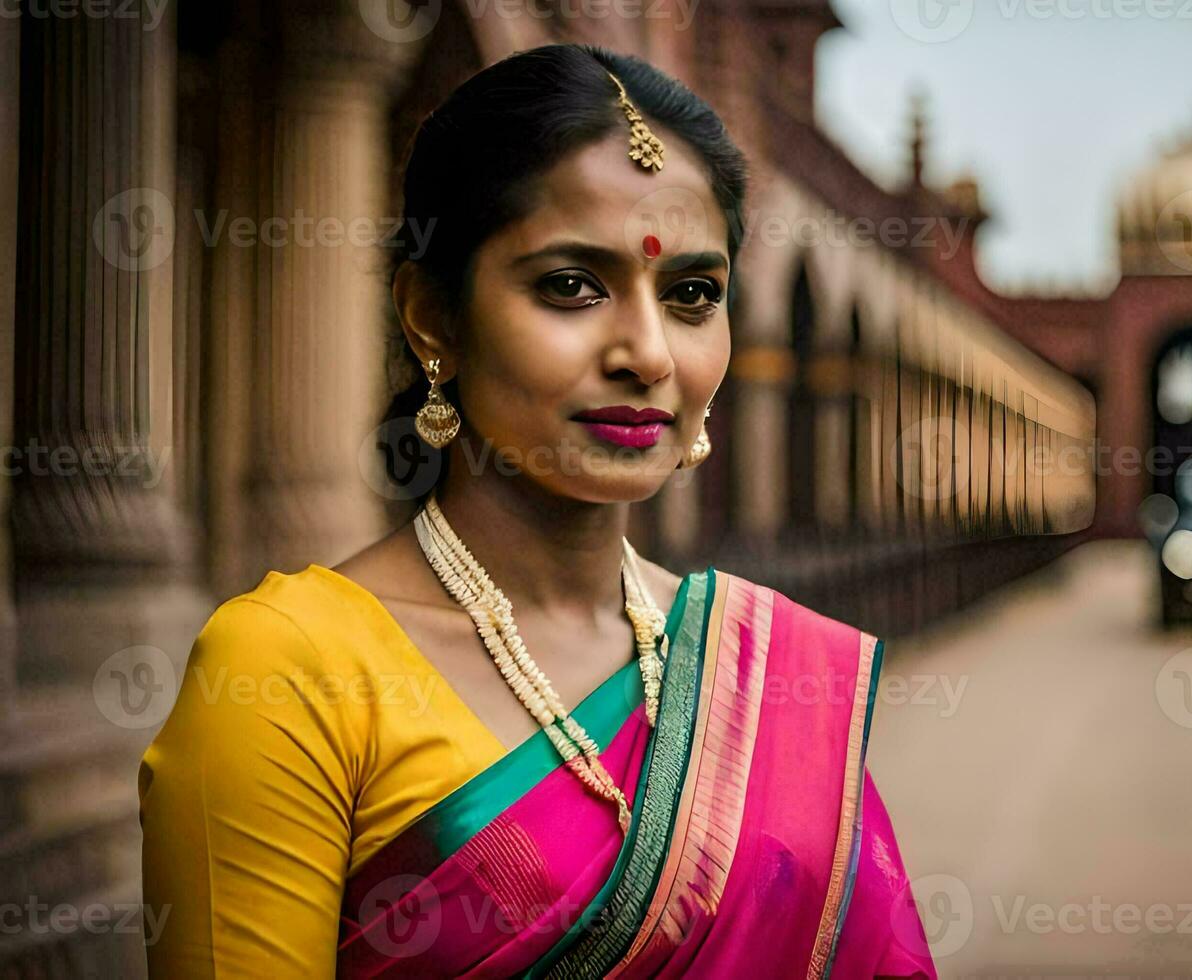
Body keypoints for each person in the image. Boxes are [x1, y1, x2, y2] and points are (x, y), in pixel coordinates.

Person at [138, 43, 937, 978]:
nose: (647, 353)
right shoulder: (289, 673)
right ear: (433, 317)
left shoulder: (766, 680)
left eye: (691, 294)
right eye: (571, 285)